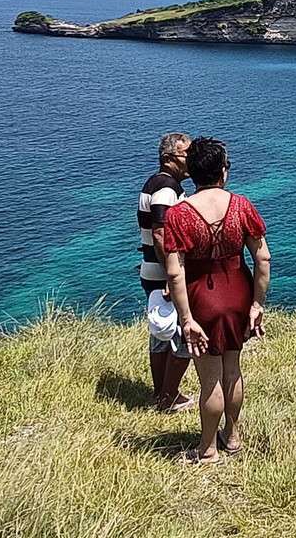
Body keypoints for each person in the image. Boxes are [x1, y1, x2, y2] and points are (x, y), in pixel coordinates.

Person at [164, 137, 271, 465]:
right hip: (238, 294)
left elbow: (175, 273)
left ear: (193, 172)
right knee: (232, 370)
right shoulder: (241, 205)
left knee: (209, 378)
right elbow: (263, 259)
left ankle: (208, 450)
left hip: (202, 301)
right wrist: (256, 304)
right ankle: (233, 436)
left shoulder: (179, 215)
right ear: (223, 172)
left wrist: (186, 319)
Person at [137, 132, 195, 413]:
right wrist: (174, 275)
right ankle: (168, 397)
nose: (191, 161)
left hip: (152, 268)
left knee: (160, 333)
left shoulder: (154, 183)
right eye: (187, 155)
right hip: (164, 272)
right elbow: (161, 235)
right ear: (169, 158)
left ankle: (162, 393)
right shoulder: (167, 189)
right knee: (184, 333)